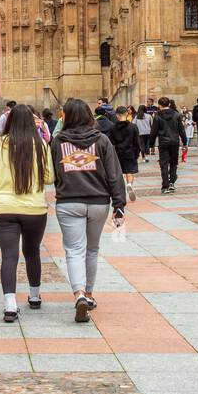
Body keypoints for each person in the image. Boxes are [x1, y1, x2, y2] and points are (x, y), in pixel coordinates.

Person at [50, 98, 126, 322]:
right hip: (98, 201)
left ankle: (79, 294)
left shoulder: (57, 142)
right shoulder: (102, 140)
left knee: (74, 250)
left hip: (68, 201)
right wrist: (119, 204)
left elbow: (53, 172)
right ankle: (90, 294)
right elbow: (114, 174)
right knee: (92, 249)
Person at [0, 103, 54, 321]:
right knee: (32, 252)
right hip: (34, 208)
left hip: (4, 208)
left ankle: (10, 305)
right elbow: (49, 177)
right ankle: (34, 296)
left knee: (9, 256)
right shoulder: (41, 145)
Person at [149, 96, 188, 193]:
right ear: (169, 104)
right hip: (175, 141)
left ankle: (165, 186)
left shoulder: (157, 116)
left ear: (159, 105)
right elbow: (181, 130)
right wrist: (184, 142)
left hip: (163, 142)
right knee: (174, 162)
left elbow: (153, 131)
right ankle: (172, 183)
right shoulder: (176, 115)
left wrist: (151, 145)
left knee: (164, 164)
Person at [110, 104, 141, 203]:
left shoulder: (113, 128)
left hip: (118, 153)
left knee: (118, 173)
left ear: (117, 115)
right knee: (129, 171)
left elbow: (111, 142)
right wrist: (137, 153)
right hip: (130, 152)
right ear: (127, 114)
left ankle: (120, 191)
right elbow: (137, 142)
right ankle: (129, 184)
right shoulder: (133, 127)